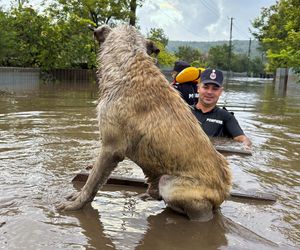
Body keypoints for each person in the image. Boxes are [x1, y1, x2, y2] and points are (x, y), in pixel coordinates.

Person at [192, 68, 252, 149]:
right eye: (205, 87)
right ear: (198, 88)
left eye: (215, 89)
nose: (209, 92)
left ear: (220, 91)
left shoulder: (226, 117)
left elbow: (242, 138)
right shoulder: (185, 111)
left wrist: (246, 146)